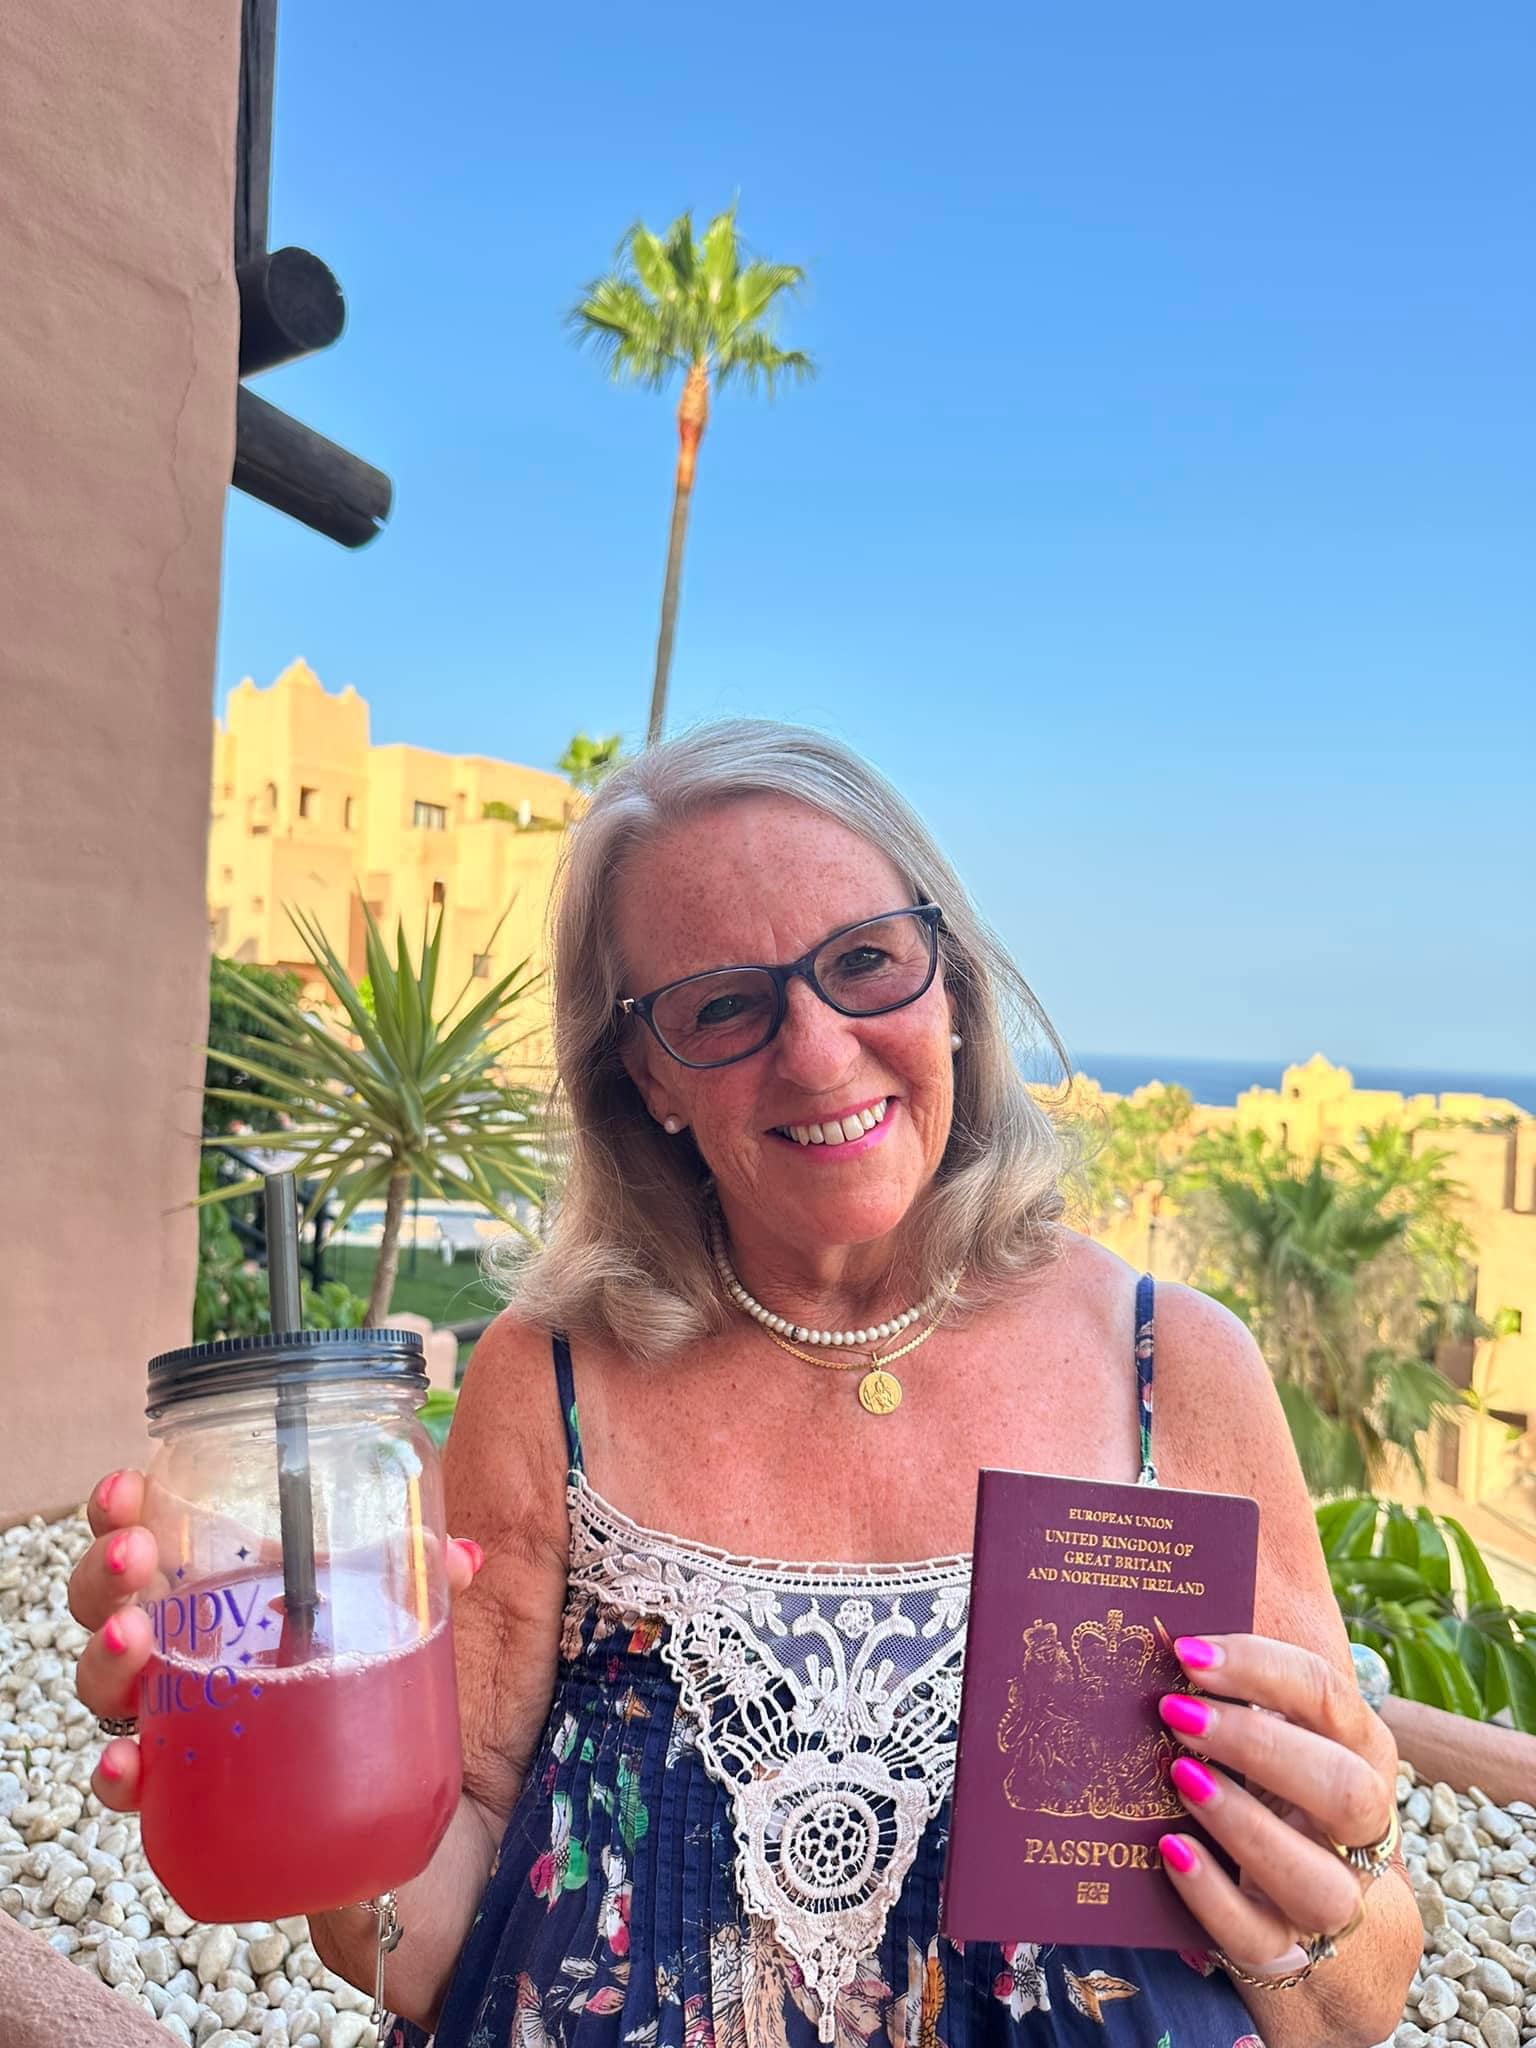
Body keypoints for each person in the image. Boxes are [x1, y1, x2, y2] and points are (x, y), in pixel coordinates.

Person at [71, 721, 1420, 2048]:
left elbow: (1356, 1999)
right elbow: (432, 1939)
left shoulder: (1173, 1369)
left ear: (950, 986)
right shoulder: (549, 1387)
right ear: (649, 1075)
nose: (820, 1049)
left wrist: (1321, 1914)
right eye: (724, 1004)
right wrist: (312, 1781)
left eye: (866, 963)